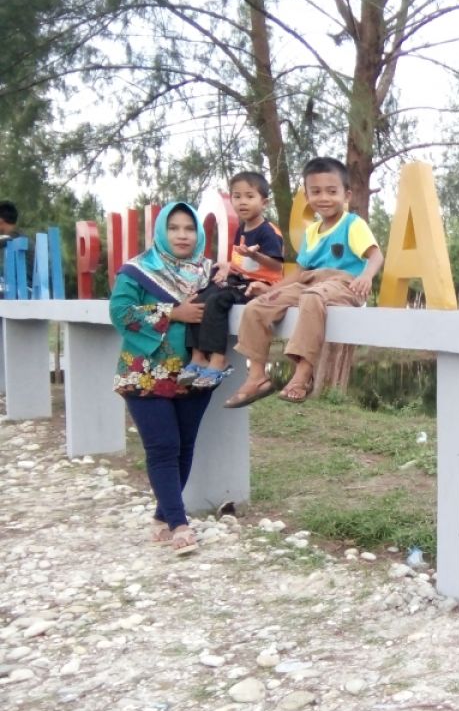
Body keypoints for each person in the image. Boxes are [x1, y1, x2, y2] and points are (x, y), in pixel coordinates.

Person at [223, 156, 383, 408]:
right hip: (310, 282)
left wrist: (366, 275)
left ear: (347, 195)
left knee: (312, 297)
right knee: (258, 306)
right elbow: (300, 273)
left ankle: (303, 373)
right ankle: (256, 377)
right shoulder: (310, 232)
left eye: (332, 191)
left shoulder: (352, 224)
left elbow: (375, 255)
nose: (324, 198)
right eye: (316, 192)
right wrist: (271, 291)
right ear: (307, 197)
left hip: (344, 283)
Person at [109, 201, 213, 555]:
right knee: (163, 447)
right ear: (160, 232)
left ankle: (162, 516)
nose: (182, 235)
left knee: (184, 447)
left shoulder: (207, 272)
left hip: (194, 373)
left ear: (198, 233)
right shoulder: (138, 270)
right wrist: (174, 312)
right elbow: (119, 312)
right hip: (145, 373)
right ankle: (180, 525)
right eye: (174, 228)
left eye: (189, 228)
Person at [178, 171, 285, 389]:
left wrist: (255, 255)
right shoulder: (241, 229)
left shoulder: (268, 232)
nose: (242, 202)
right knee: (197, 299)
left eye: (249, 196)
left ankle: (218, 360)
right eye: (237, 196)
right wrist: (228, 266)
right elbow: (240, 261)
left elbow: (277, 265)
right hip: (238, 280)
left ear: (264, 202)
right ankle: (198, 356)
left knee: (218, 301)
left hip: (256, 288)